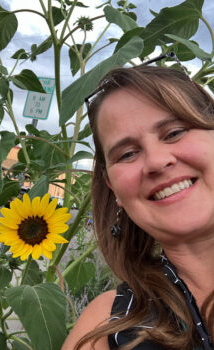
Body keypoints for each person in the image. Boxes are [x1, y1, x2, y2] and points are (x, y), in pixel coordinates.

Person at [61, 62, 214, 350]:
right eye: (128, 153)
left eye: (174, 132)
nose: (157, 161)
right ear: (113, 188)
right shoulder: (107, 326)